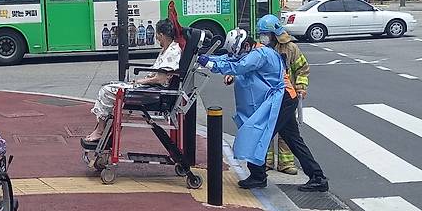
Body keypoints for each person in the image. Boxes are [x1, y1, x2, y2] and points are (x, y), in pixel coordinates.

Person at [197, 27, 328, 192]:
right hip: (283, 99)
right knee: (293, 140)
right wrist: (210, 59)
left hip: (282, 99)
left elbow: (238, 66)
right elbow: (231, 59)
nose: (237, 55)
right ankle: (317, 177)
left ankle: (259, 176)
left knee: (258, 135)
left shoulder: (260, 55)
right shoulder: (254, 51)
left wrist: (210, 64)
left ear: (245, 46)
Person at [82, 19, 181, 144]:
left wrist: (141, 81)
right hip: (151, 89)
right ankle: (102, 129)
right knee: (109, 86)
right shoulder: (168, 50)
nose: (156, 38)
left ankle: (100, 131)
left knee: (105, 91)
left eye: (157, 35)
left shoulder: (172, 52)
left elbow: (161, 78)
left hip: (153, 92)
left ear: (161, 35)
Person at [257, 14, 310, 176]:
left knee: (286, 132)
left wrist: (300, 86)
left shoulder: (290, 48)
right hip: (265, 96)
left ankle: (286, 163)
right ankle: (265, 161)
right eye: (262, 34)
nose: (263, 38)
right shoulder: (260, 49)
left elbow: (302, 68)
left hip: (286, 96)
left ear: (274, 34)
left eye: (266, 34)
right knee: (265, 130)